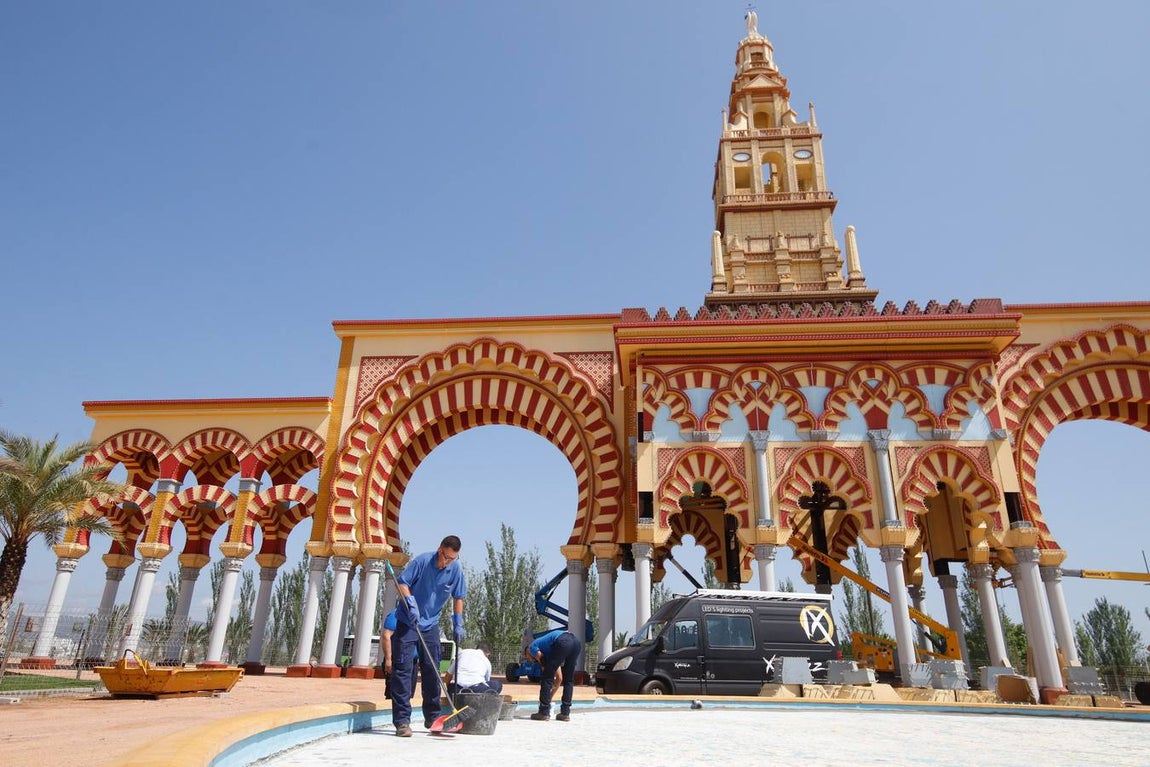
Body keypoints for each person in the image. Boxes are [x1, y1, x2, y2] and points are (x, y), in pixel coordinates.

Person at [391, 535, 467, 737]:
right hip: (408, 621)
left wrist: (458, 621)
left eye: (453, 559)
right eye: (447, 558)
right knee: (403, 671)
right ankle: (402, 722)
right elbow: (403, 583)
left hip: (430, 624)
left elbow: (458, 596)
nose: (448, 562)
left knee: (432, 671)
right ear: (440, 550)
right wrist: (411, 603)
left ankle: (433, 718)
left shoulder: (455, 569)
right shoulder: (422, 561)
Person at [526, 628, 582, 722]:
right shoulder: (550, 650)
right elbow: (560, 678)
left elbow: (542, 661)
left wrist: (545, 700)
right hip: (575, 642)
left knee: (547, 677)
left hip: (563, 641)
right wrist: (549, 697)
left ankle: (543, 712)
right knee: (568, 679)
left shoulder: (531, 647)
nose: (531, 660)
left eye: (529, 658)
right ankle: (565, 713)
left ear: (527, 652)